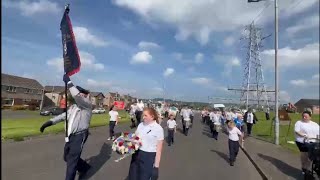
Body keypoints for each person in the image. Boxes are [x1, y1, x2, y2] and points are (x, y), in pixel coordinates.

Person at [40, 74, 92, 180]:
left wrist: (69, 82)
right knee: (66, 157)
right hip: (70, 136)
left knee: (72, 161)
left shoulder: (86, 104)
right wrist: (49, 122)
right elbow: (63, 116)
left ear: (83, 95)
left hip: (80, 135)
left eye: (78, 93)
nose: (74, 95)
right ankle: (84, 167)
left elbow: (77, 96)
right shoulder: (73, 107)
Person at [128, 107, 164, 180]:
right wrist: (128, 145)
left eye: (145, 115)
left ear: (152, 116)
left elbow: (159, 150)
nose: (143, 117)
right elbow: (135, 137)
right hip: (137, 153)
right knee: (133, 177)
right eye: (143, 115)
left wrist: (156, 167)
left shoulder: (158, 129)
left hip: (148, 156)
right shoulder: (141, 125)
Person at [294, 111, 320, 175]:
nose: (304, 117)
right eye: (303, 116)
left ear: (310, 117)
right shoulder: (299, 123)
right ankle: (304, 168)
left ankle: (315, 167)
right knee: (305, 155)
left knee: (316, 154)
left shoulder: (315, 124)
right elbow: (297, 131)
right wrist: (304, 135)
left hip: (314, 141)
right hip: (302, 141)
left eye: (306, 116)